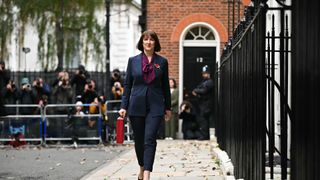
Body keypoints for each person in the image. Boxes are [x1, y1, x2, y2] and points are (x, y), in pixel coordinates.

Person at [118, 30, 171, 180]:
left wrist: (168, 108)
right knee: (139, 140)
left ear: (155, 43)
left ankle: (147, 174)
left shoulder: (162, 62)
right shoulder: (133, 61)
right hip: (136, 105)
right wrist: (123, 106)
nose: (148, 42)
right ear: (142, 43)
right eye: (145, 39)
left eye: (151, 40)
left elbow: (165, 86)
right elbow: (127, 85)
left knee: (149, 139)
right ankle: (142, 166)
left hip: (156, 105)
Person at [192, 65, 214, 140]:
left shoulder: (210, 82)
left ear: (209, 74)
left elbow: (203, 91)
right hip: (203, 104)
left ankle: (204, 136)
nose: (204, 75)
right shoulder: (204, 82)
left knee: (204, 120)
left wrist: (196, 91)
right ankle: (205, 135)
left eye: (206, 73)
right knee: (203, 120)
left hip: (207, 104)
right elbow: (198, 88)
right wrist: (197, 90)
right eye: (203, 73)